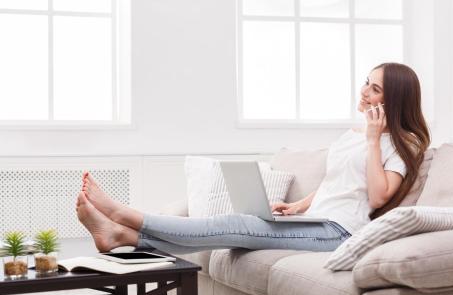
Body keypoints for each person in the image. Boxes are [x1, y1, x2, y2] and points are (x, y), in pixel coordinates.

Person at [76, 62, 430, 254]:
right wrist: (299, 206)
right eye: (366, 83)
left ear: (394, 99)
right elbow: (336, 182)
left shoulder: (404, 143)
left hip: (340, 232)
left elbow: (379, 196)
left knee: (240, 225)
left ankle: (125, 215)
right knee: (236, 229)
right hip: (317, 220)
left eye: (375, 88)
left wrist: (373, 141)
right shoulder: (349, 136)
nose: (364, 92)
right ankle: (121, 237)